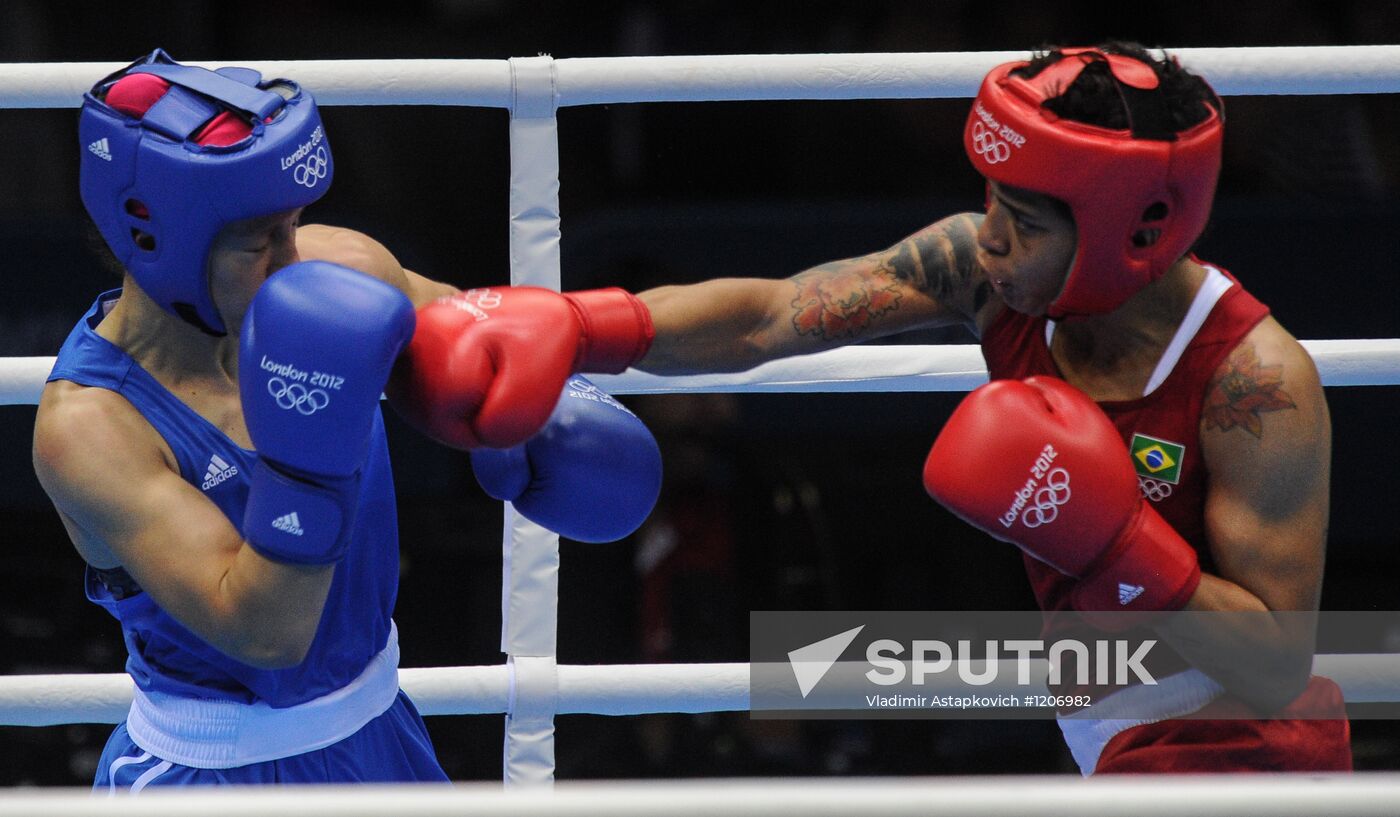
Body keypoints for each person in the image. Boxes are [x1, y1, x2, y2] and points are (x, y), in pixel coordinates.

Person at [431, 42, 1350, 774]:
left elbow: (1272, 663)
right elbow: (776, 314)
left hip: (1242, 745)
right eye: (991, 199)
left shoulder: (1253, 382)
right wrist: (584, 325)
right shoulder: (989, 277)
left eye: (1025, 223)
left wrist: (1118, 540)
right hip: (1108, 723)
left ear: (1135, 231)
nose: (988, 238)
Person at [34, 49, 660, 789]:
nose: (291, 258)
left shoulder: (338, 275)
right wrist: (308, 457)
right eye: (257, 241)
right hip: (210, 776)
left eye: (294, 224)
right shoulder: (91, 426)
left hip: (379, 734)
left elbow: (499, 349)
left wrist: (539, 412)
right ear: (152, 237)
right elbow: (265, 630)